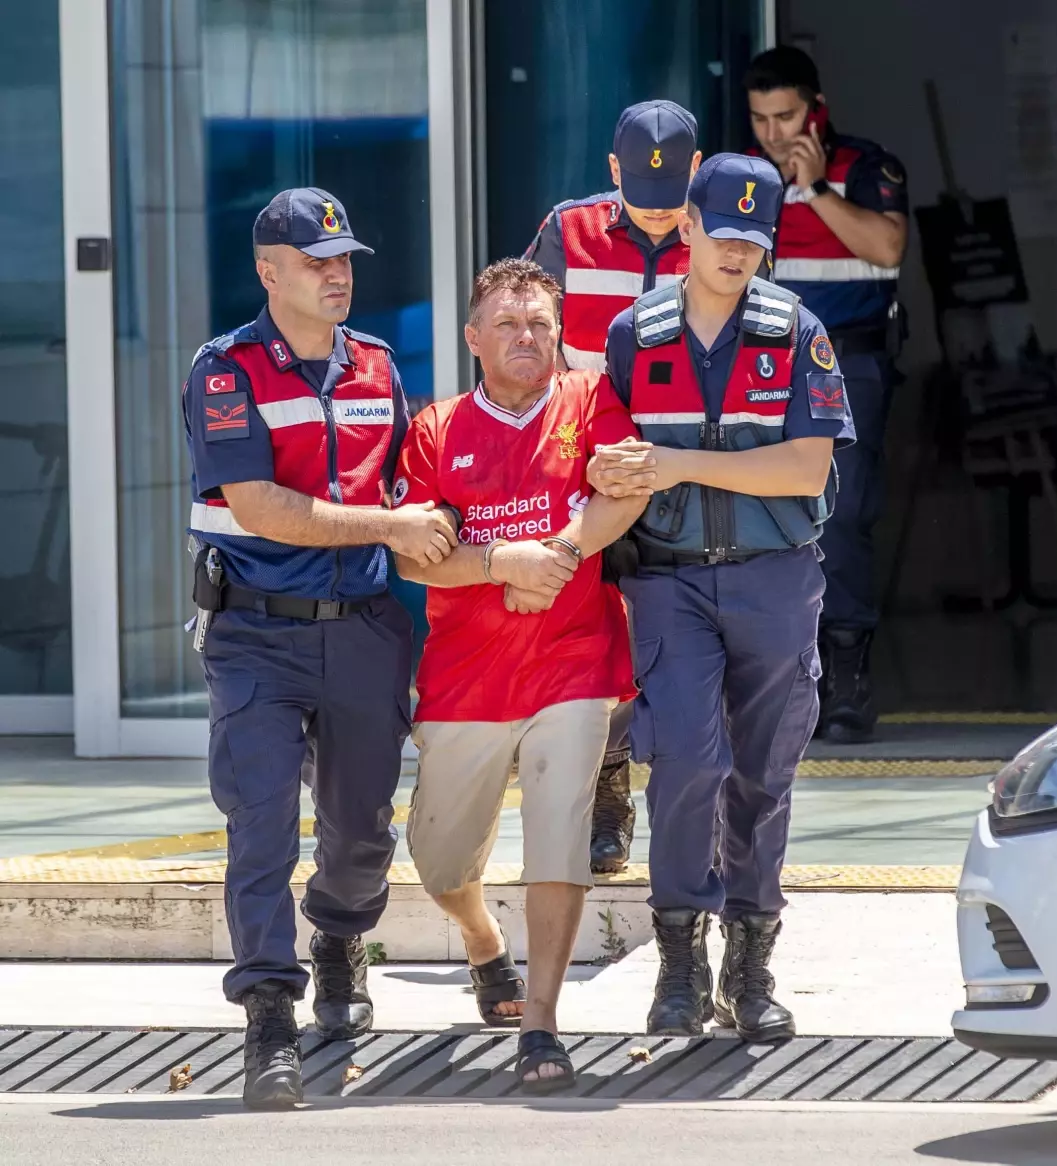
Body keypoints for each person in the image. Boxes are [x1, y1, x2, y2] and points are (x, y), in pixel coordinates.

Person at [182, 187, 458, 1110]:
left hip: (366, 632)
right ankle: (269, 1014)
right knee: (260, 827)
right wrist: (391, 522)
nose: (337, 275)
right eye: (316, 262)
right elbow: (261, 509)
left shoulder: (378, 366)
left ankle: (339, 936)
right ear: (270, 272)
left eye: (344, 260)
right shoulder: (225, 373)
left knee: (360, 832)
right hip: (255, 633)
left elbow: (422, 488)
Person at [589, 154, 855, 1041]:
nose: (738, 252)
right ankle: (678, 964)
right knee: (687, 768)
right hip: (668, 582)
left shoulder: (796, 331)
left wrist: (684, 463)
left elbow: (807, 465)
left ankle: (751, 966)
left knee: (761, 776)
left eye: (754, 238)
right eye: (724, 234)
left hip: (773, 579)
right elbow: (610, 456)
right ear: (689, 228)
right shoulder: (635, 333)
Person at [393, 258, 647, 1093]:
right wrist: (504, 562)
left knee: (559, 831)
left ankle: (541, 1025)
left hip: (573, 663)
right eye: (507, 323)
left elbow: (626, 491)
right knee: (436, 861)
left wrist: (567, 552)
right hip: (465, 677)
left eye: (540, 322)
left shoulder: (590, 398)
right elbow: (420, 558)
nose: (526, 336)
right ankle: (479, 940)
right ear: (474, 339)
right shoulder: (434, 429)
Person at [524, 99, 700, 874]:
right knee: (597, 633)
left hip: (692, 473)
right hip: (587, 467)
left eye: (672, 206)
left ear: (696, 173)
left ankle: (693, 811)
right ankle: (607, 788)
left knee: (683, 635)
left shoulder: (718, 233)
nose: (659, 221)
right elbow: (527, 342)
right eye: (640, 202)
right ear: (611, 173)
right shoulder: (567, 233)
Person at [745, 45, 909, 743]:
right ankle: (781, 678)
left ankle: (847, 678)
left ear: (818, 110)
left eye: (786, 116)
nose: (775, 134)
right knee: (760, 518)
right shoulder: (744, 180)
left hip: (847, 365)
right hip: (759, 370)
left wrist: (815, 192)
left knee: (839, 521)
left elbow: (888, 248)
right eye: (760, 120)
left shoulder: (867, 167)